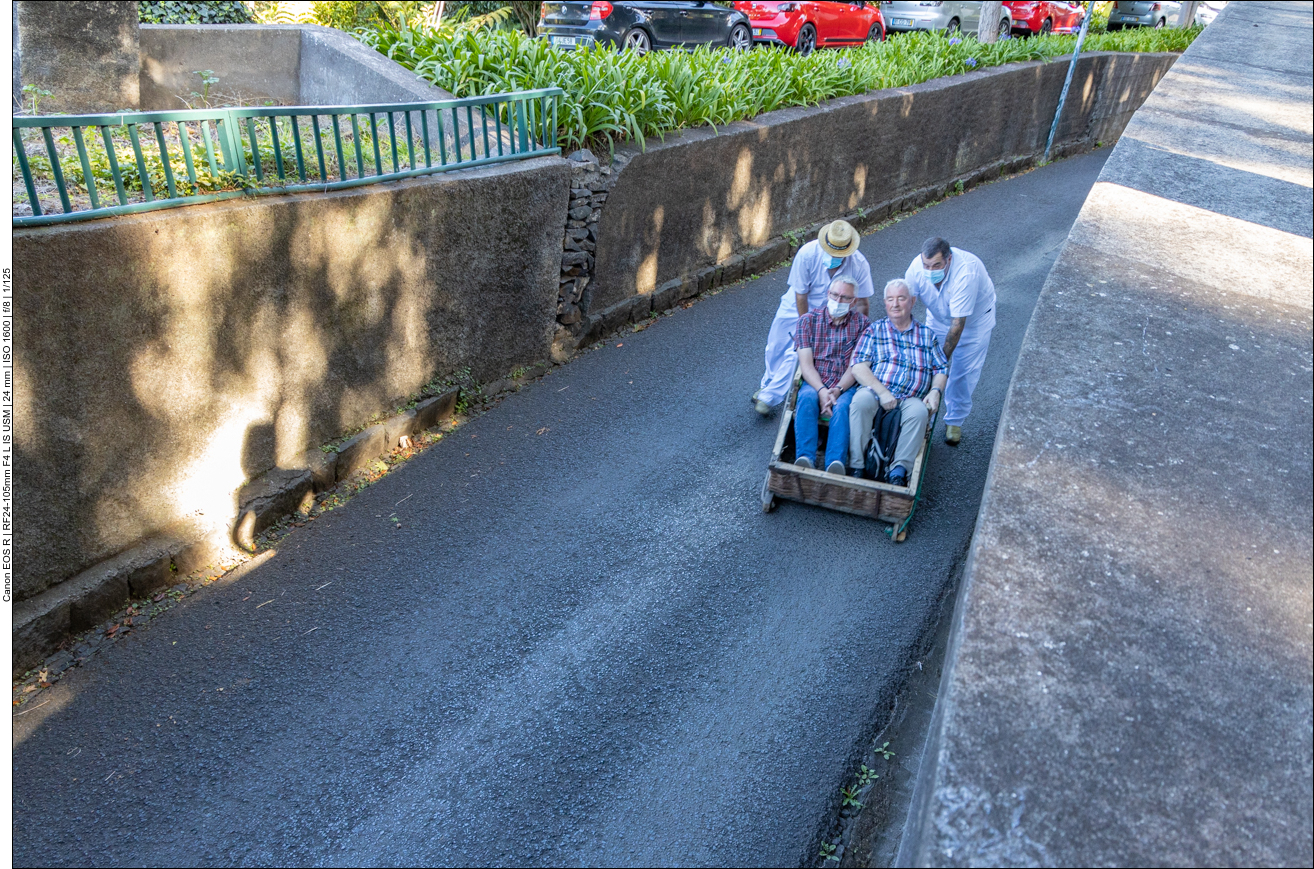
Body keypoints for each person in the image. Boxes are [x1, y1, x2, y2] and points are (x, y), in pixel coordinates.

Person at [754, 220, 874, 415]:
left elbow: (862, 303)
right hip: (797, 304)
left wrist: (858, 334)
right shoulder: (807, 254)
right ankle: (767, 383)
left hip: (833, 310)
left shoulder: (859, 264)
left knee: (797, 354)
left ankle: (769, 396)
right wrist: (806, 326)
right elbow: (801, 295)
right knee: (775, 347)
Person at [848, 279, 948, 487]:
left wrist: (936, 390)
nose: (895, 304)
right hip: (877, 391)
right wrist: (883, 393)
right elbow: (858, 366)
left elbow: (941, 368)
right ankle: (857, 466)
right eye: (890, 299)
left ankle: (898, 470)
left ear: (912, 301)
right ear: (885, 302)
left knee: (919, 412)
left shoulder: (927, 335)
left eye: (901, 298)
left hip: (911, 397)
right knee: (860, 402)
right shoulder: (875, 330)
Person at [903, 237, 995, 445]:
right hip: (937, 317)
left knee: (963, 373)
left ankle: (954, 420)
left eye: (936, 265)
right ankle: (924, 417)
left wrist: (940, 365)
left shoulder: (966, 273)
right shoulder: (916, 268)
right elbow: (906, 304)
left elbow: (957, 326)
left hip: (973, 324)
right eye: (927, 265)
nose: (930, 270)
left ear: (949, 259)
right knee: (923, 366)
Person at [792, 278, 871, 475]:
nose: (838, 300)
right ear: (828, 294)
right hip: (815, 380)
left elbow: (855, 365)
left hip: (845, 384)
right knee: (806, 397)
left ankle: (835, 462)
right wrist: (821, 390)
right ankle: (805, 457)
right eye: (835, 295)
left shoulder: (863, 325)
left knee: (843, 406)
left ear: (853, 301)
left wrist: (837, 390)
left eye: (845, 297)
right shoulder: (807, 321)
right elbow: (806, 365)